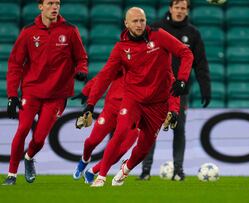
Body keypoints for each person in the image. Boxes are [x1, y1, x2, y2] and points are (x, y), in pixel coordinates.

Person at [78, 7, 193, 187]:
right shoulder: (121, 48)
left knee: (143, 148)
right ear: (126, 23)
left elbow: (186, 53)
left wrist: (182, 80)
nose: (139, 25)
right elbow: (105, 77)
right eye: (135, 21)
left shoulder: (159, 36)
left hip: (158, 104)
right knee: (121, 132)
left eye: (142, 20)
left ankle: (126, 168)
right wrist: (90, 104)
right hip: (133, 100)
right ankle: (101, 176)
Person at [3, 0, 88, 185]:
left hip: (57, 95)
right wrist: (12, 95)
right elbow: (15, 64)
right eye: (50, 3)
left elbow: (81, 57)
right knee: (23, 129)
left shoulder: (70, 30)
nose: (54, 7)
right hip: (32, 91)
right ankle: (11, 174)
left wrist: (82, 70)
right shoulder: (28, 32)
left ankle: (29, 157)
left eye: (57, 3)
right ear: (40, 6)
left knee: (40, 139)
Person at [139, 0, 211, 181]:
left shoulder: (193, 33)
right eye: (177, 7)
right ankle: (145, 170)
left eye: (183, 8)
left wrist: (205, 88)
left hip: (180, 90)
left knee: (179, 128)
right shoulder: (156, 28)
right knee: (150, 129)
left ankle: (178, 170)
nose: (179, 11)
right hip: (155, 89)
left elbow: (200, 64)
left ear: (187, 11)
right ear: (170, 8)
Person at [71, 71, 180, 184]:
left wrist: (173, 110)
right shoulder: (128, 59)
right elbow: (104, 76)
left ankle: (93, 172)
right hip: (112, 109)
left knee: (120, 151)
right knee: (93, 141)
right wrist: (87, 91)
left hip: (135, 111)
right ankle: (84, 159)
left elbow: (171, 86)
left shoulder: (158, 65)